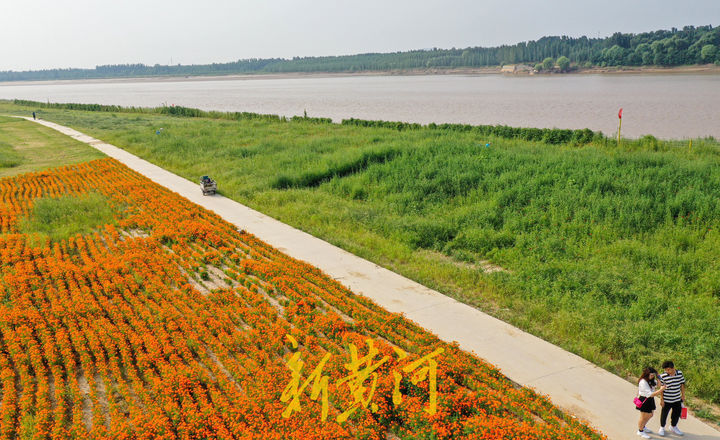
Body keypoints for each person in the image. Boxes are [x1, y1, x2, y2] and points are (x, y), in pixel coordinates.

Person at [658, 360, 686, 437]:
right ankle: (662, 427)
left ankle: (673, 427)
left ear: (672, 368)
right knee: (664, 414)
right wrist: (662, 399)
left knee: (676, 414)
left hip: (677, 399)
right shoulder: (663, 376)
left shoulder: (679, 373)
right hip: (667, 400)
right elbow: (661, 389)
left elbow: (682, 384)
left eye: (667, 369)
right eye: (665, 370)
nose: (666, 371)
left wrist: (683, 395)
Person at [636, 367, 665, 438]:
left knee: (650, 414)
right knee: (643, 417)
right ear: (647, 374)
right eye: (651, 375)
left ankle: (643, 426)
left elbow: (658, 385)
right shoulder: (643, 382)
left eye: (653, 375)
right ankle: (640, 431)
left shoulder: (651, 380)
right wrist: (661, 390)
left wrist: (658, 377)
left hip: (650, 399)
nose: (652, 377)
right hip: (644, 399)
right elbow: (650, 394)